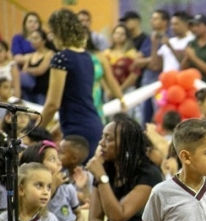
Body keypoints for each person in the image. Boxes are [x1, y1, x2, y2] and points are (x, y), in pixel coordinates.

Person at [39, 8, 103, 161]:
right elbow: (78, 97)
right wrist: (59, 126)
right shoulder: (87, 57)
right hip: (94, 125)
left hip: (76, 130)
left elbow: (52, 104)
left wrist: (34, 130)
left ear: (58, 31)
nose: (49, 36)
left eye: (51, 31)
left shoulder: (61, 58)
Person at [20, 141, 84, 221]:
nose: (59, 162)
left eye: (58, 158)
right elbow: (34, 213)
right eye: (53, 159)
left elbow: (78, 213)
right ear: (36, 165)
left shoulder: (67, 188)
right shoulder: (29, 191)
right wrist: (53, 185)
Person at [182, 14, 206, 89]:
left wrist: (193, 58)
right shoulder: (191, 44)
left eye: (198, 25)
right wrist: (186, 59)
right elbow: (184, 69)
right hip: (193, 88)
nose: (195, 28)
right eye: (193, 26)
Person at [104, 24, 141, 95]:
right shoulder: (106, 53)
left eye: (122, 34)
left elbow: (134, 74)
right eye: (117, 33)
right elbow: (102, 73)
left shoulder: (131, 53)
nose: (119, 36)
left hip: (127, 90)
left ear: (126, 37)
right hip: (109, 92)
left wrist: (120, 89)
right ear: (113, 35)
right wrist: (107, 89)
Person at [21, 29, 54, 105]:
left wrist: (29, 70)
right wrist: (31, 70)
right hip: (29, 91)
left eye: (36, 38)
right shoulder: (31, 55)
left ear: (43, 41)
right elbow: (23, 71)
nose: (33, 41)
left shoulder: (49, 54)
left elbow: (40, 70)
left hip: (42, 92)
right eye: (32, 38)